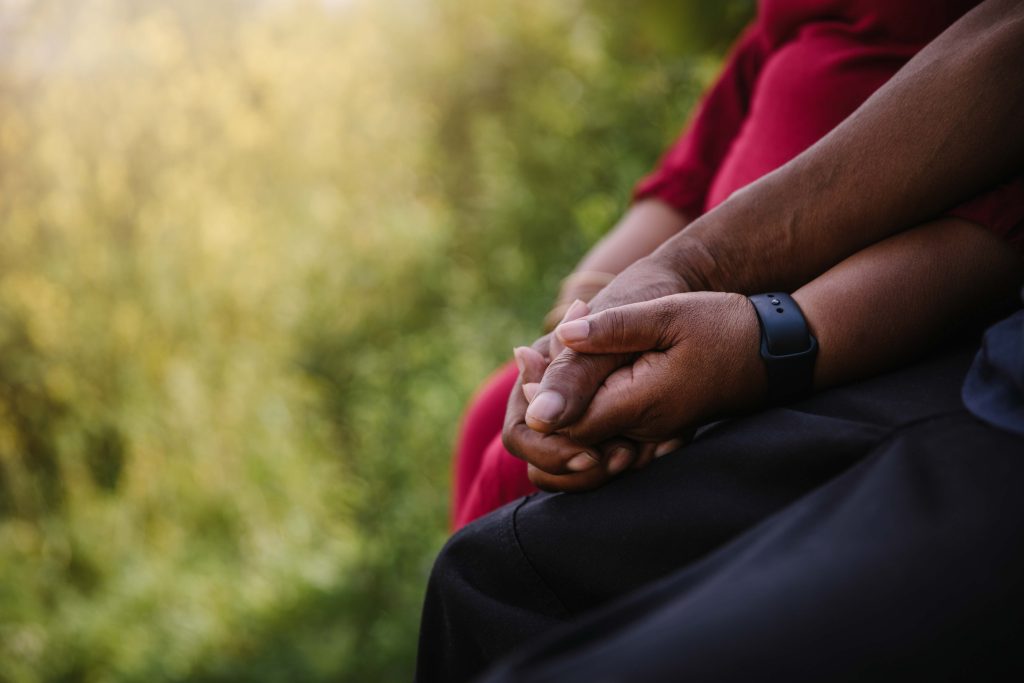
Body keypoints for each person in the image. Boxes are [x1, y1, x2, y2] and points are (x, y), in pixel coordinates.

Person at [420, 0, 1024, 680]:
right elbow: (679, 182)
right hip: (683, 316)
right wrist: (581, 320)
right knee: (495, 417)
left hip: (816, 332)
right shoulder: (793, 16)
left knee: (530, 500)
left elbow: (995, 221)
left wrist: (760, 337)